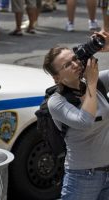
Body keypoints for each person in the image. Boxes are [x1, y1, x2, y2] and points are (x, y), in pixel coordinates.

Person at [42, 30, 109, 199]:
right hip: (83, 177)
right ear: (57, 78)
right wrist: (91, 82)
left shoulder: (96, 82)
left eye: (74, 59)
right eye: (67, 65)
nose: (75, 64)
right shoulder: (56, 102)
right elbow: (85, 120)